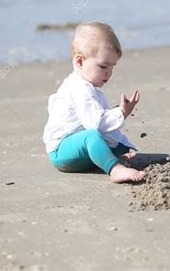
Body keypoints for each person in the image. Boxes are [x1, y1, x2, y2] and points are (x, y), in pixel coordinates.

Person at [42, 22, 145, 183]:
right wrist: (121, 112)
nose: (109, 72)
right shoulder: (79, 89)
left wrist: (119, 113)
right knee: (92, 136)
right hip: (62, 152)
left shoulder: (87, 87)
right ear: (80, 62)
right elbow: (95, 125)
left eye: (112, 67)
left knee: (113, 141)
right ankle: (115, 169)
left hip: (78, 147)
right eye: (103, 66)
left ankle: (111, 156)